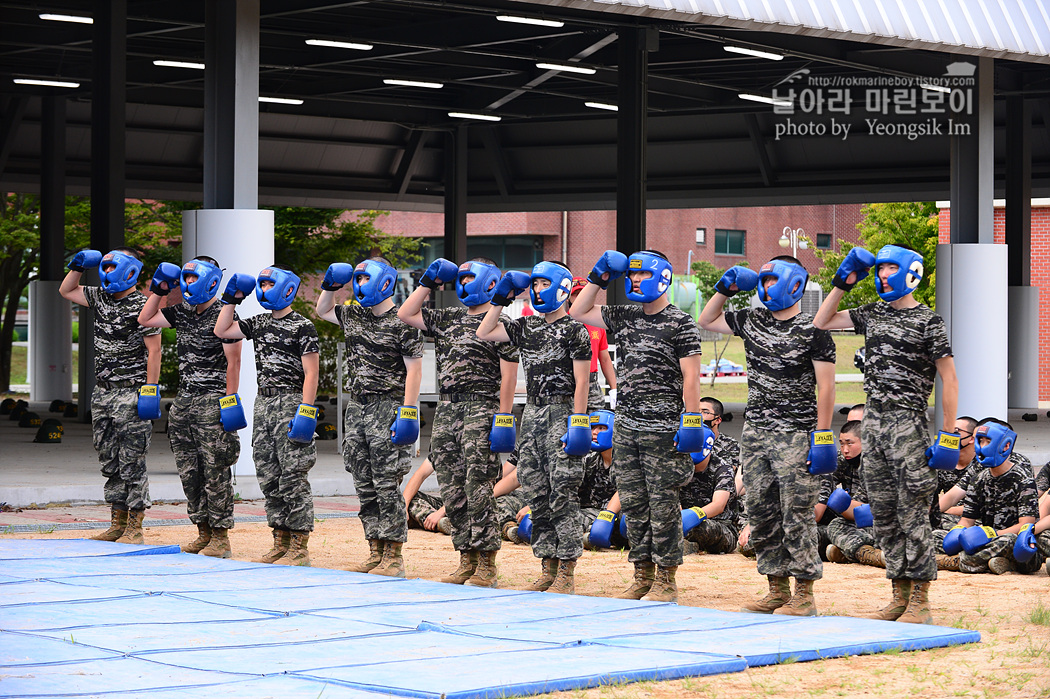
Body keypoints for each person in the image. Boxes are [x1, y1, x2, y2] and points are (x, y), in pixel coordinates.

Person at [815, 244, 958, 624]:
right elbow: (822, 321)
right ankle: (899, 595)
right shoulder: (873, 313)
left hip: (909, 424)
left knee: (913, 514)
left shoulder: (929, 321)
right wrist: (842, 282)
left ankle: (921, 601)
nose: (882, 275)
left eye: (890, 268)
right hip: (873, 425)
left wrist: (947, 436)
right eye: (879, 269)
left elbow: (950, 379)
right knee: (885, 515)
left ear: (910, 271)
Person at [701, 257, 835, 616]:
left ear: (794, 283)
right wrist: (725, 288)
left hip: (797, 432)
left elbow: (826, 386)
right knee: (761, 511)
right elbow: (707, 320)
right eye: (763, 278)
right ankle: (776, 589)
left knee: (797, 513)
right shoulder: (753, 320)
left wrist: (822, 435)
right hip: (757, 432)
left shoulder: (815, 328)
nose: (765, 284)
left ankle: (804, 594)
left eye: (773, 277)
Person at [571, 250, 703, 603]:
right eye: (631, 276)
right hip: (627, 426)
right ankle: (642, 574)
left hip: (663, 428)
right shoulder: (625, 315)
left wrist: (692, 420)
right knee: (634, 502)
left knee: (663, 504)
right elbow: (578, 311)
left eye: (642, 275)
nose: (635, 280)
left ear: (662, 277)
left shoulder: (681, 323)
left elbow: (691, 378)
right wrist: (598, 276)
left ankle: (666, 579)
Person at [398, 257, 518, 587]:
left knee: (478, 487)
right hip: (447, 409)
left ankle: (486, 564)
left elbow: (508, 377)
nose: (463, 284)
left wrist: (504, 418)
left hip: (482, 409)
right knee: (452, 488)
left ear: (491, 283)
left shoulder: (502, 323)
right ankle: (466, 557)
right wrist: (427, 283)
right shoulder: (448, 318)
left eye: (469, 278)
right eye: (460, 279)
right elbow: (405, 313)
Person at [478, 260, 591, 594]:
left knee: (562, 491)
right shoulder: (525, 327)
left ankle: (567, 570)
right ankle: (548, 565)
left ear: (561, 286)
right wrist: (500, 298)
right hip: (533, 413)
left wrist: (579, 424)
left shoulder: (575, 329)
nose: (538, 291)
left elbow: (583, 382)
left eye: (544, 284)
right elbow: (484, 332)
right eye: (535, 285)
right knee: (536, 491)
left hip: (564, 410)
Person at [317, 257, 423, 578]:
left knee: (387, 483)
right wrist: (330, 286)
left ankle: (393, 555)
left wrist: (408, 414)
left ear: (385, 281)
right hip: (358, 409)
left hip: (388, 408)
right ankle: (375, 549)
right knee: (363, 482)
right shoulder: (353, 315)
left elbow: (415, 371)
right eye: (357, 279)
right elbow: (323, 310)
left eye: (365, 279)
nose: (360, 285)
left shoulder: (404, 321)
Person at [138, 256, 242, 558]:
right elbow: (145, 319)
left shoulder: (225, 316)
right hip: (184, 402)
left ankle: (221, 538)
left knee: (215, 471)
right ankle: (203, 532)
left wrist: (229, 403)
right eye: (185, 278)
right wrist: (158, 289)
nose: (188, 284)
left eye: (194, 278)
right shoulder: (181, 312)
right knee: (189, 471)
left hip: (212, 402)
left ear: (211, 280)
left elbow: (234, 363)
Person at [215, 265, 319, 566]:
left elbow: (312, 372)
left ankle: (299, 545)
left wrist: (307, 411)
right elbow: (222, 331)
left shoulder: (302, 325)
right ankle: (280, 539)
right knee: (269, 475)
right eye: (260, 284)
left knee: (293, 475)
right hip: (265, 403)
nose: (263, 289)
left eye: (268, 283)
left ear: (287, 289)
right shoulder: (258, 322)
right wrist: (231, 299)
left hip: (292, 402)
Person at [60, 247, 162, 545]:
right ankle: (117, 522)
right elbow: (67, 290)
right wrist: (78, 266)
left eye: (110, 267)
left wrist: (151, 391)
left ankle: (135, 526)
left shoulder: (143, 307)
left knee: (132, 460)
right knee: (109, 459)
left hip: (131, 393)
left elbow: (154, 352)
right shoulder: (100, 298)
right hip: (102, 393)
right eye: (102, 267)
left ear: (130, 271)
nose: (105, 272)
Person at [943, 418, 1041, 575]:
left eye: (987, 441)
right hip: (984, 538)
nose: (982, 446)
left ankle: (954, 561)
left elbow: (1026, 526)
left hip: (1015, 545)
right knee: (937, 536)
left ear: (1005, 445)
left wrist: (991, 535)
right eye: (980, 441)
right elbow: (967, 520)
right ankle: (993, 563)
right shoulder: (978, 479)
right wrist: (959, 532)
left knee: (1009, 540)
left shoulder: (1023, 480)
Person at [823, 421, 885, 567]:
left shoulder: (876, 464)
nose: (845, 449)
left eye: (849, 444)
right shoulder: (844, 460)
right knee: (822, 531)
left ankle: (866, 554)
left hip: (887, 522)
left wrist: (842, 505)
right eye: (842, 444)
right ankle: (861, 553)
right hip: (864, 521)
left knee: (838, 525)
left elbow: (860, 512)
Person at [680, 431, 739, 555]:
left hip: (719, 525)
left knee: (703, 528)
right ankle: (685, 543)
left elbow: (718, 505)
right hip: (681, 520)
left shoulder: (722, 468)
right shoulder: (678, 467)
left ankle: (685, 543)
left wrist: (695, 515)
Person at [569, 278, 617, 411]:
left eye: (582, 293)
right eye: (575, 294)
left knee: (595, 426)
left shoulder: (597, 323)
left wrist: (614, 388)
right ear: (568, 297)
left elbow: (605, 359)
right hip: (568, 384)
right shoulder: (563, 323)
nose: (579, 298)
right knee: (571, 428)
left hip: (592, 384)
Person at [401, 458, 452, 535]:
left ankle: (439, 523)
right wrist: (403, 507)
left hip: (468, 505)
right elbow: (420, 475)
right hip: (448, 503)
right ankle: (439, 521)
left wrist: (441, 512)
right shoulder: (441, 450)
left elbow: (474, 493)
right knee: (411, 498)